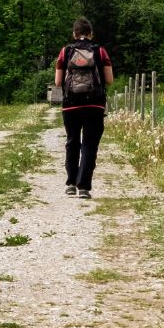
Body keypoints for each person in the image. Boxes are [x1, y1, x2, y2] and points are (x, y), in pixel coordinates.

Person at [53, 18, 114, 199]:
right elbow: (109, 80)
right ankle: (84, 188)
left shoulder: (65, 52)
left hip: (70, 104)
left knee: (72, 142)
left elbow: (58, 82)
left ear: (74, 34)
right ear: (91, 34)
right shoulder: (100, 51)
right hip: (94, 104)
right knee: (89, 144)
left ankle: (71, 183)